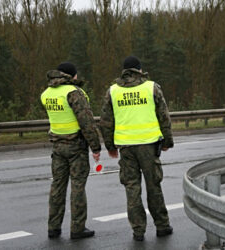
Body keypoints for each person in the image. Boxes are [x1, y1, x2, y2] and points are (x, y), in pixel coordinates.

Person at [100, 56, 174, 241]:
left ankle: (138, 230)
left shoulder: (113, 91)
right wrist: (167, 141)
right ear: (140, 70)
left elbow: (106, 122)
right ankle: (162, 226)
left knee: (132, 188)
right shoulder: (151, 87)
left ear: (124, 71)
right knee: (153, 186)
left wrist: (109, 146)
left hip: (126, 148)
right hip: (148, 145)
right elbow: (163, 116)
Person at [41, 62, 101, 239]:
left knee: (57, 187)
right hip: (76, 146)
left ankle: (53, 227)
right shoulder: (74, 93)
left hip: (57, 146)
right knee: (77, 187)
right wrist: (95, 147)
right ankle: (77, 228)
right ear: (72, 76)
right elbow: (87, 123)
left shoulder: (46, 94)